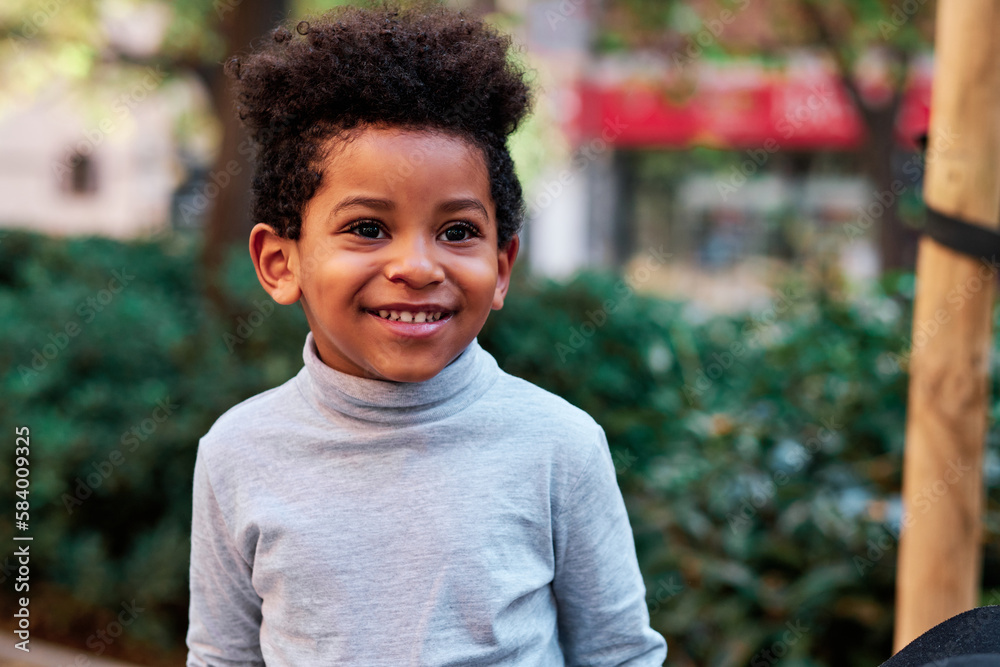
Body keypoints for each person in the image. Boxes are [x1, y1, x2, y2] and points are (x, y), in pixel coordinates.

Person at [185, 2, 668, 665]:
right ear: (280, 261)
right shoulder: (237, 452)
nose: (416, 267)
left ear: (501, 268)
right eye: (367, 227)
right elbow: (222, 657)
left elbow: (620, 655)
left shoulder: (561, 447)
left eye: (458, 231)